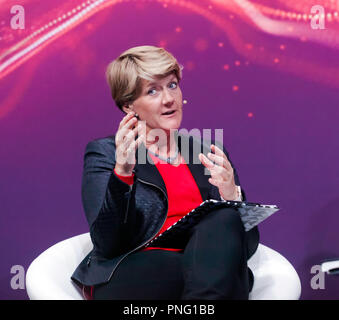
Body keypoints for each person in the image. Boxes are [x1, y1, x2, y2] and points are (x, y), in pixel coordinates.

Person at [71, 45, 259, 300]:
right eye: (152, 91)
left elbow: (245, 248)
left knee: (224, 217)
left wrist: (232, 198)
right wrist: (123, 172)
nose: (169, 99)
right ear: (128, 105)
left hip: (199, 272)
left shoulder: (207, 151)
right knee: (225, 276)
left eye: (172, 85)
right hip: (131, 271)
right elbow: (108, 243)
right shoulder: (105, 152)